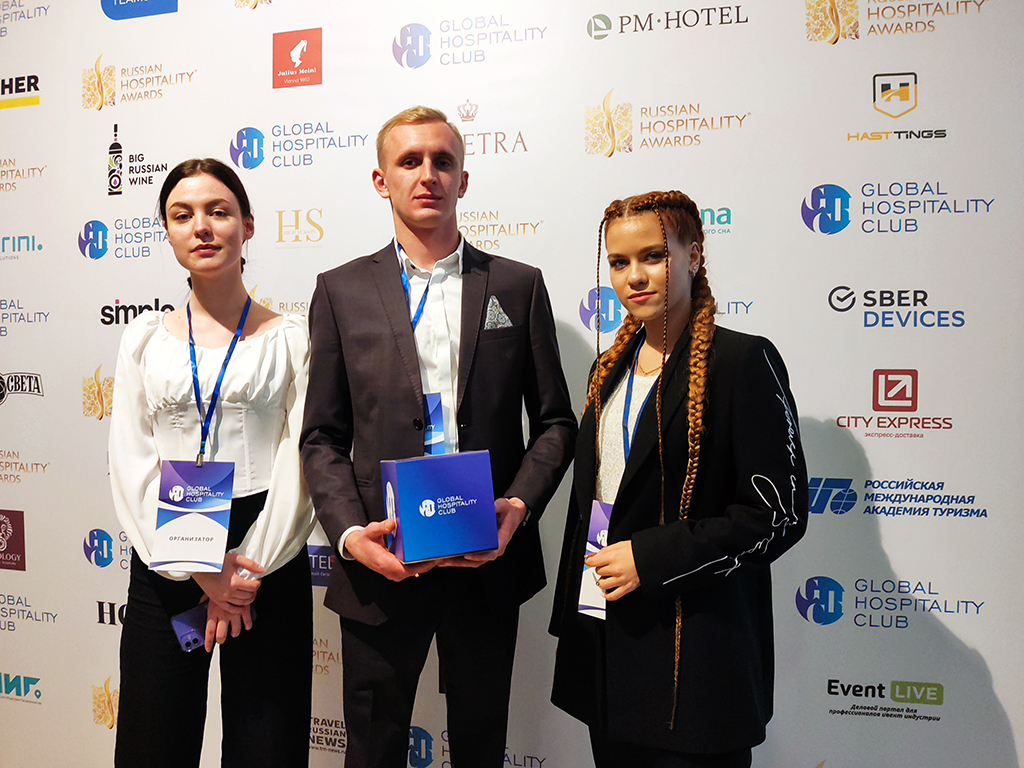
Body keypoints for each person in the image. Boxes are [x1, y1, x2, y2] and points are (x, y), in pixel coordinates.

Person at [299, 106, 577, 768]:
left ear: (463, 179)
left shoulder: (517, 285)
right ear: (381, 180)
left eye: (442, 161)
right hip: (382, 557)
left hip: (486, 557)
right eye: (410, 161)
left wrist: (518, 507)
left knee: (480, 744)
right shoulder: (340, 291)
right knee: (372, 747)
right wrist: (351, 537)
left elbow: (555, 424)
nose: (427, 174)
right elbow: (322, 437)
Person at [549, 190, 808, 768]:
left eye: (654, 256)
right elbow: (598, 501)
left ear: (694, 255)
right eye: (619, 262)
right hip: (609, 645)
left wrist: (650, 557)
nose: (635, 276)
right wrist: (581, 609)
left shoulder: (742, 361)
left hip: (696, 655)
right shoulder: (607, 368)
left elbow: (777, 516)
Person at [108, 158, 316, 768]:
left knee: (267, 743)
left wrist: (247, 571)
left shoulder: (292, 338)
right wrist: (198, 570)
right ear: (169, 233)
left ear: (247, 226)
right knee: (153, 739)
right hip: (166, 551)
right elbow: (131, 459)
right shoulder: (143, 340)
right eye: (183, 215)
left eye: (218, 212)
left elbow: (301, 460)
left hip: (266, 552)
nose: (201, 226)